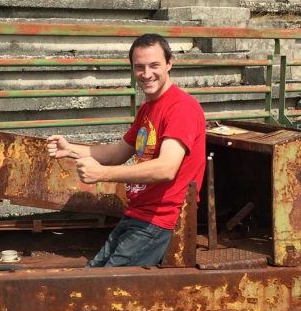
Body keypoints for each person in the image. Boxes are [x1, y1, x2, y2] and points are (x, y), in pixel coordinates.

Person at [47, 33, 206, 267]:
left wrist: (102, 174)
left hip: (160, 220)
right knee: (92, 274)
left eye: (154, 65)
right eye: (139, 67)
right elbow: (118, 153)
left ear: (169, 63)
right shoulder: (148, 108)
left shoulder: (181, 108)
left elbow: (166, 168)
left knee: (105, 287)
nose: (147, 73)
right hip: (137, 214)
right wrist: (71, 149)